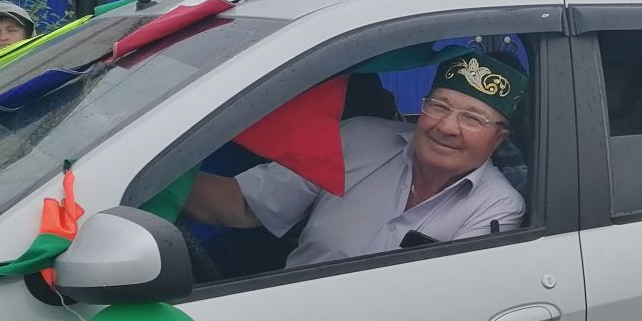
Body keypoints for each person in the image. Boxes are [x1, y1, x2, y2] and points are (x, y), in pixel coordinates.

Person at [183, 49, 528, 268]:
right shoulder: (357, 138)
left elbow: (442, 305)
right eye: (438, 107)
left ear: (499, 137)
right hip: (282, 315)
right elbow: (244, 205)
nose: (448, 127)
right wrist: (155, 181)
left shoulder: (497, 207)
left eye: (472, 119)